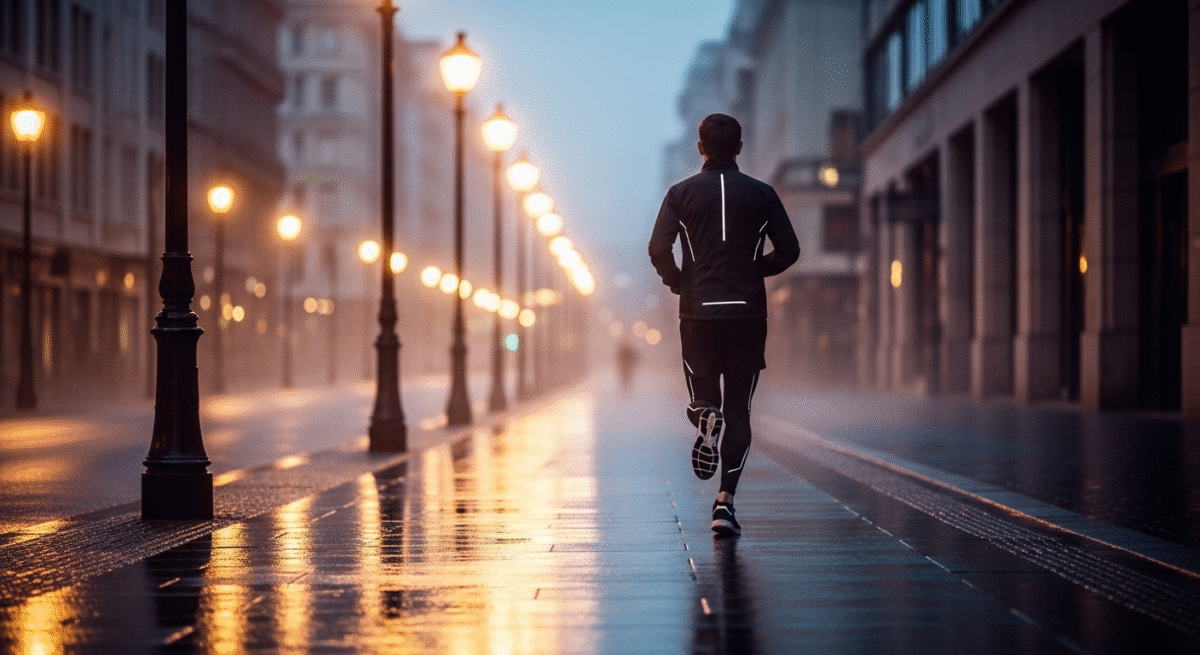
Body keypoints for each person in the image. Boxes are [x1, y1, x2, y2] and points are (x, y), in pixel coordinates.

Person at [648, 113, 799, 537]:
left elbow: (658, 247)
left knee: (703, 398)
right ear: (740, 147)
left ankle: (703, 415)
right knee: (740, 409)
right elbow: (790, 249)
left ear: (700, 148)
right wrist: (755, 271)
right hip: (747, 312)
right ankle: (725, 503)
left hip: (699, 312)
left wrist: (681, 281)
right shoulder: (762, 194)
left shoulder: (680, 194)